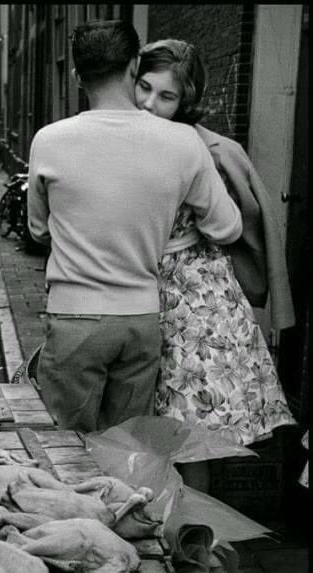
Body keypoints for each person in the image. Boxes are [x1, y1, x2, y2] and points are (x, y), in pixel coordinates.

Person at [27, 19, 243, 434]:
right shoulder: (184, 143)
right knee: (127, 454)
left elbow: (39, 231)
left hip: (75, 317)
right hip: (142, 319)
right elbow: (227, 227)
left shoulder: (48, 141)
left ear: (76, 76)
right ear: (132, 67)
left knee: (65, 450)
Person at [134, 39, 296, 491]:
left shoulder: (209, 150)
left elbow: (239, 226)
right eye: (143, 87)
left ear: (185, 102)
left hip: (198, 308)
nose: (149, 104)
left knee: (195, 436)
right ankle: (199, 545)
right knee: (180, 436)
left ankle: (199, 547)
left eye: (165, 97)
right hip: (160, 299)